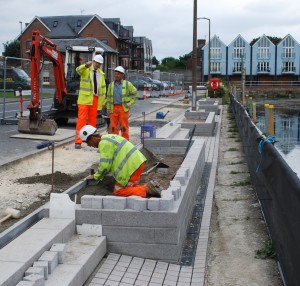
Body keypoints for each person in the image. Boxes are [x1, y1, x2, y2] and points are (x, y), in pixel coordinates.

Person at [79, 125, 161, 198]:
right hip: (137, 163)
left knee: (119, 190)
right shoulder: (109, 137)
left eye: (88, 142)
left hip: (130, 168)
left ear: (92, 138)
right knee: (131, 187)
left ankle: (147, 189)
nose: (89, 145)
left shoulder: (103, 143)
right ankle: (149, 188)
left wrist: (95, 176)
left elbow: (104, 165)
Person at [74, 55, 106, 149]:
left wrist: (102, 102)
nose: (98, 65)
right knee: (81, 120)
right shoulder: (86, 70)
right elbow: (78, 70)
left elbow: (103, 90)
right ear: (93, 61)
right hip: (84, 99)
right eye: (96, 63)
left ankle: (91, 141)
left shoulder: (101, 74)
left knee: (92, 122)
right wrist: (85, 65)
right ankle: (78, 141)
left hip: (95, 99)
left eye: (99, 64)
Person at [106, 66, 137, 141]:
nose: (116, 75)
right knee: (113, 127)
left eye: (118, 74)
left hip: (123, 108)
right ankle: (114, 141)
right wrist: (108, 108)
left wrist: (130, 102)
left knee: (124, 126)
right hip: (113, 108)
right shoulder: (111, 85)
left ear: (122, 75)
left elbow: (135, 94)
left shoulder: (127, 84)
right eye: (115, 74)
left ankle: (125, 141)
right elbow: (109, 98)